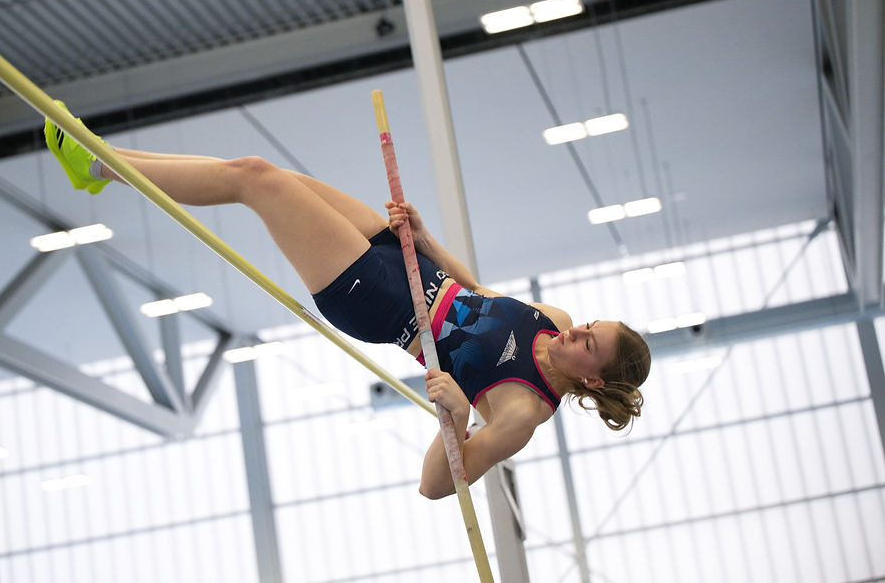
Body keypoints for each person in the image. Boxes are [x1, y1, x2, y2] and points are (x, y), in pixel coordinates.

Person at [44, 103, 651, 500]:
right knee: (253, 168)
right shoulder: (555, 321)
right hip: (406, 260)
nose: (575, 332)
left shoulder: (522, 415)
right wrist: (427, 236)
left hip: (380, 303)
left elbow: (436, 486)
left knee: (253, 179)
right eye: (588, 325)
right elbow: (479, 293)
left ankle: (100, 165)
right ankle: (98, 159)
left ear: (594, 381)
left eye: (587, 344)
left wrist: (461, 416)